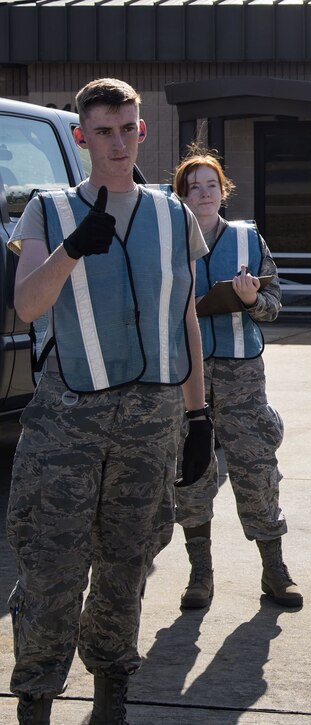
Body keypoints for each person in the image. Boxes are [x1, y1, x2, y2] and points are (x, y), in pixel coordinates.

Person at [5, 78, 213, 725]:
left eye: (128, 129)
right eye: (103, 131)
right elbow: (27, 304)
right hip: (68, 417)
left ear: (142, 130)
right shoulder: (49, 210)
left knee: (128, 558)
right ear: (81, 136)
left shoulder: (172, 215)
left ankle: (111, 681)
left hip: (151, 419)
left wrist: (199, 414)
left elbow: (185, 319)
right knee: (52, 557)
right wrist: (72, 249)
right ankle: (37, 690)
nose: (117, 142)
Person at [169, 147, 302, 611]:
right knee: (191, 473)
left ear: (223, 191)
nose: (203, 194)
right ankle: (199, 574)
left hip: (242, 375)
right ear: (180, 195)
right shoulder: (167, 240)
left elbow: (274, 304)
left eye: (211, 185)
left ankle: (275, 570)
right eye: (193, 187)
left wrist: (249, 301)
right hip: (187, 375)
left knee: (257, 469)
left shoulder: (247, 240)